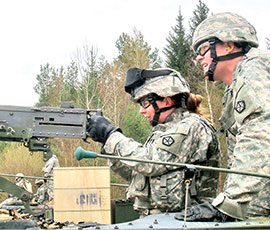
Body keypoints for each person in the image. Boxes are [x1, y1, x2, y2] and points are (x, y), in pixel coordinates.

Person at [175, 12, 270, 222]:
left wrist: (229, 205)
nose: (199, 58)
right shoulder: (235, 85)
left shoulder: (254, 67)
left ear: (228, 45)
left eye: (203, 50)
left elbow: (260, 134)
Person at [87, 67, 220, 217]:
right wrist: (107, 143)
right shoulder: (163, 132)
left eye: (145, 104)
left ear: (167, 100)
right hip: (159, 220)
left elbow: (151, 163)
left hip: (184, 221)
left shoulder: (191, 127)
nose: (141, 111)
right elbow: (136, 173)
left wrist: (112, 136)